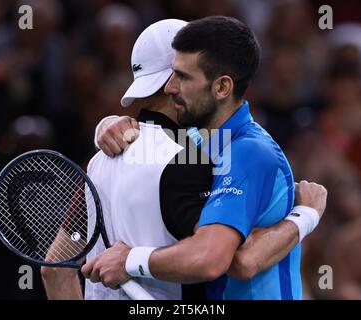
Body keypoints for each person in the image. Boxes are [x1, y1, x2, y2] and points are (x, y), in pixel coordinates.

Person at [43, 18, 327, 300]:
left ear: (221, 86)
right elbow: (231, 259)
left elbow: (54, 268)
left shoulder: (99, 162)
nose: (172, 88)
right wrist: (306, 215)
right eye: (174, 75)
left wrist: (131, 260)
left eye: (184, 76)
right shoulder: (187, 154)